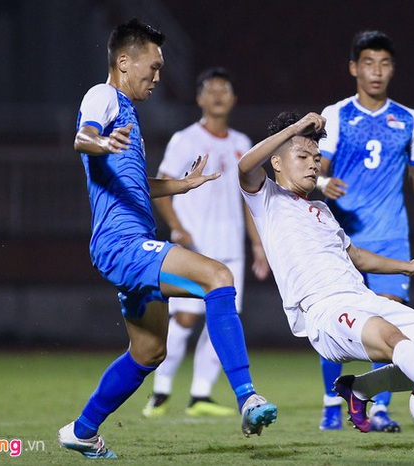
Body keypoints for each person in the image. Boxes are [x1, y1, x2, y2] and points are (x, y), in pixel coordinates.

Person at [57, 20, 276, 459]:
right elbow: (83, 138)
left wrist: (181, 185)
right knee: (217, 275)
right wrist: (98, 143)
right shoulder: (104, 97)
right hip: (123, 243)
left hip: (127, 243)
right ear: (124, 61)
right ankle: (247, 395)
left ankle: (81, 430)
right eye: (153, 68)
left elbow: (135, 181)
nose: (157, 78)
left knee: (150, 350)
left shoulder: (128, 115)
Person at [238, 110, 414, 434]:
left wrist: (407, 265)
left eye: (317, 158)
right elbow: (245, 165)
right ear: (276, 162)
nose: (313, 164)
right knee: (392, 339)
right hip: (325, 311)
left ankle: (359, 390)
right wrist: (296, 128)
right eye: (302, 156)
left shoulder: (321, 210)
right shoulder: (267, 199)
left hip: (364, 298)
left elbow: (355, 255)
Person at [314, 30, 414, 433]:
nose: (377, 72)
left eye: (384, 64)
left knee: (392, 323)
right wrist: (321, 185)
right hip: (343, 235)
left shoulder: (407, 119)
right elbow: (316, 166)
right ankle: (331, 401)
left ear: (392, 69)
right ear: (354, 67)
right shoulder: (336, 115)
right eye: (368, 63)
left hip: (390, 233)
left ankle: (380, 407)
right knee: (337, 318)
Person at [142, 67, 270, 419]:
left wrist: (258, 245)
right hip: (195, 247)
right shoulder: (185, 139)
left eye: (224, 89)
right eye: (211, 89)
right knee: (183, 317)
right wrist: (177, 227)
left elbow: (249, 199)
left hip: (231, 249)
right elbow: (162, 185)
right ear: (199, 98)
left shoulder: (243, 144)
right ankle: (161, 390)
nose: (217, 95)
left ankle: (200, 395)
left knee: (223, 320)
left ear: (233, 98)